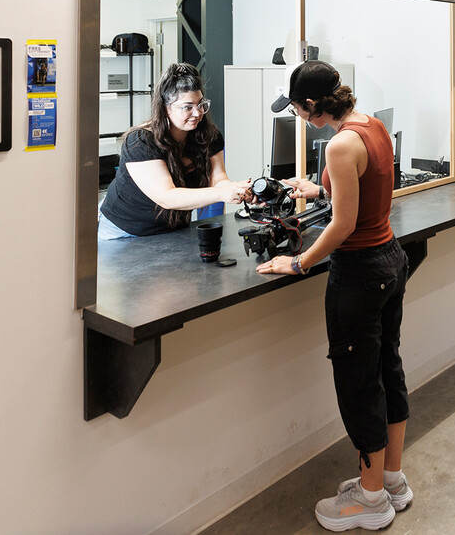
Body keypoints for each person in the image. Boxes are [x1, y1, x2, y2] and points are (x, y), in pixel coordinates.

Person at [258, 60, 412, 532]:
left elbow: (343, 226)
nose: (299, 118)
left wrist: (299, 261)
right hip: (390, 259)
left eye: (298, 110)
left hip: (361, 274)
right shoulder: (371, 127)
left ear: (309, 106)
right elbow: (361, 194)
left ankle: (369, 502)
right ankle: (391, 481)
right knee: (387, 367)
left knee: (359, 384)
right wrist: (316, 188)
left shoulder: (340, 147)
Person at [98, 63, 250, 238]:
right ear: (165, 107)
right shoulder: (141, 141)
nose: (197, 113)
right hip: (122, 231)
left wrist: (238, 190)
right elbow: (166, 197)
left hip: (173, 229)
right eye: (187, 107)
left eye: (201, 104)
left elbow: (218, 180)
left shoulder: (208, 135)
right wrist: (222, 193)